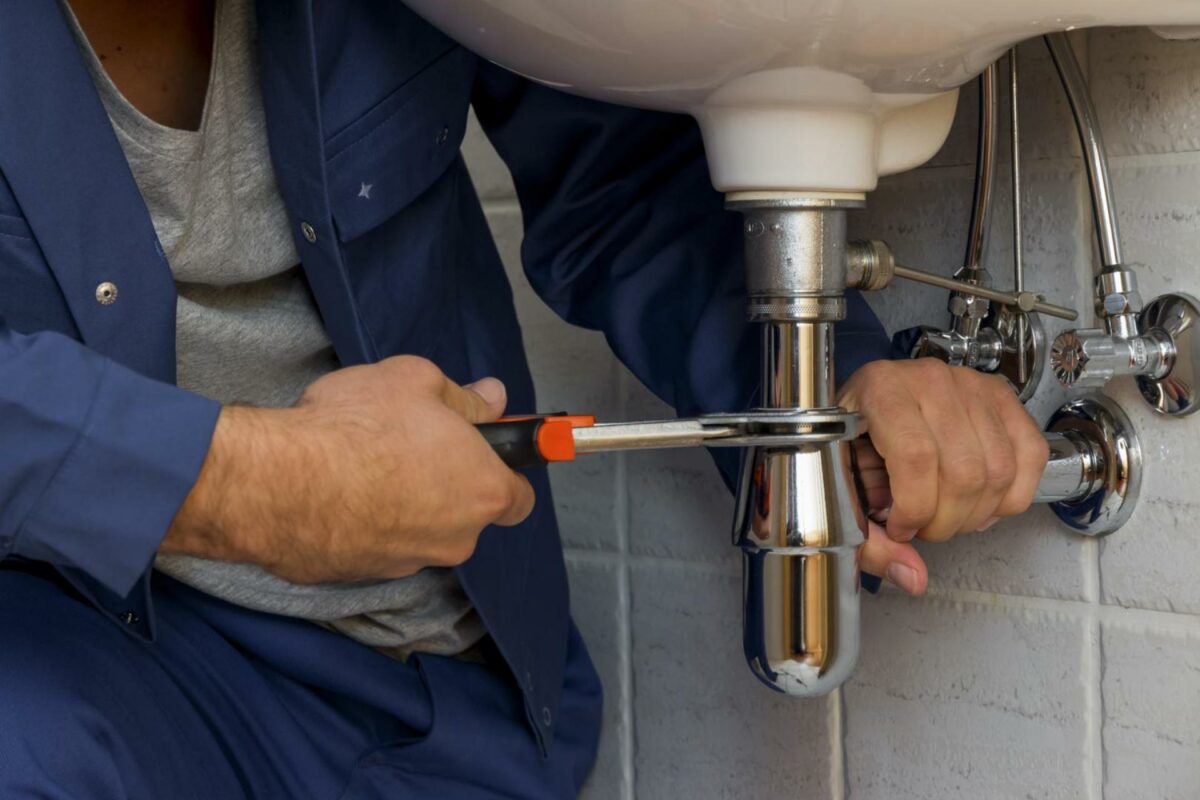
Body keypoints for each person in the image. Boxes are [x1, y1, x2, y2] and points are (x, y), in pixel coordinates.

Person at [0, 0, 1050, 796]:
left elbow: (629, 186)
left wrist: (829, 387)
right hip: (99, 676)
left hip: (452, 698)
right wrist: (248, 480)